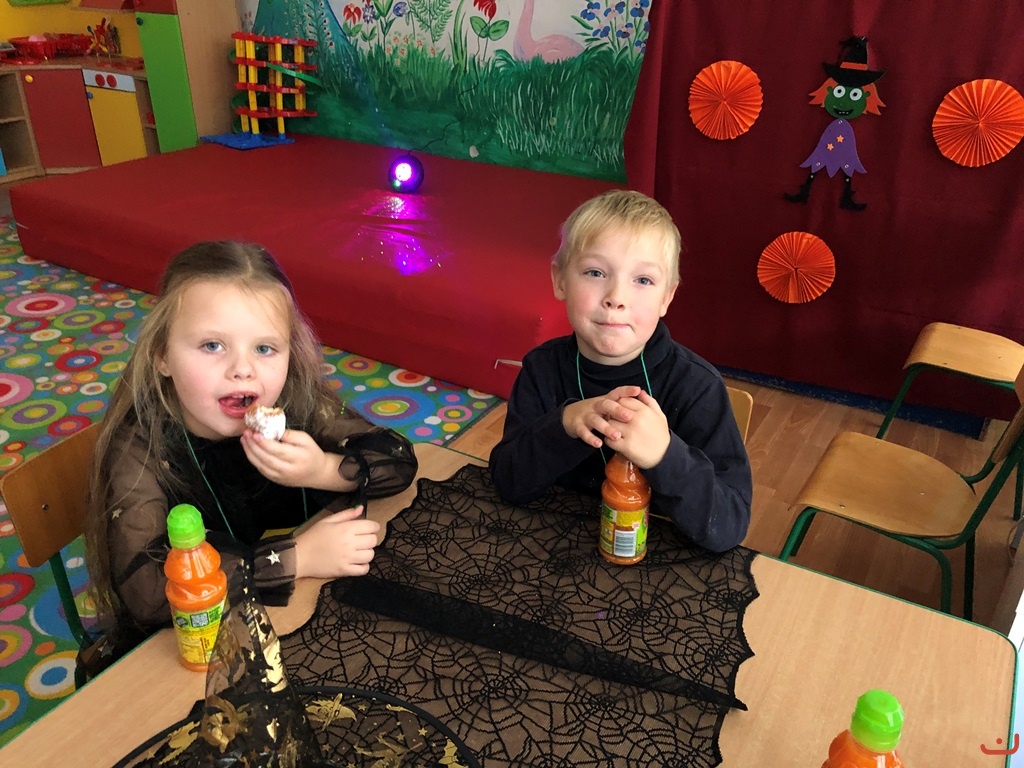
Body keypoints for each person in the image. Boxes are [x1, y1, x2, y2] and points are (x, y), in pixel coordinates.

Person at [84, 241, 418, 661]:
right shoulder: (139, 446)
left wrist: (324, 470)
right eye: (212, 345)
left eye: (264, 348)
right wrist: (298, 557)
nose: (243, 369)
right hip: (200, 651)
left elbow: (399, 460)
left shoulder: (296, 402)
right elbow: (147, 592)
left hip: (302, 619)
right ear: (162, 355)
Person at [489, 190, 751, 552]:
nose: (616, 297)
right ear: (560, 280)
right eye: (595, 272)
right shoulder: (541, 368)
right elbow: (507, 482)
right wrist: (564, 424)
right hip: (551, 547)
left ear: (666, 297)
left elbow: (730, 524)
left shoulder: (697, 387)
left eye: (642, 280)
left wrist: (664, 454)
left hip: (656, 560)